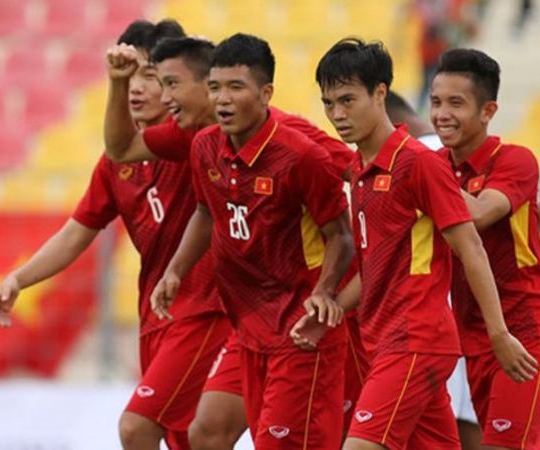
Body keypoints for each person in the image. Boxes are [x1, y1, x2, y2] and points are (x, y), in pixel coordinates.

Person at [105, 35, 367, 449]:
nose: (163, 96)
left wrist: (330, 292)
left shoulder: (298, 149)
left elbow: (356, 193)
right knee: (206, 432)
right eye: (215, 86)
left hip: (305, 321)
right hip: (247, 326)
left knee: (339, 436)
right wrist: (176, 270)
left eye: (171, 83)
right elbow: (205, 209)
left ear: (264, 94)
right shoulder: (202, 142)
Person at [0, 20, 233, 450]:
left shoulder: (197, 139)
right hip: (155, 318)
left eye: (151, 77)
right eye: (130, 75)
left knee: (138, 427)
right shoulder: (116, 164)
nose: (137, 88)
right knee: (189, 440)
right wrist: (20, 277)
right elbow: (76, 233)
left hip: (204, 311)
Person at [303, 37, 534, 450]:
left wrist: (499, 334)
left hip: (414, 338)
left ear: (380, 93)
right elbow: (377, 267)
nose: (337, 114)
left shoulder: (420, 163)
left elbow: (471, 248)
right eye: (329, 103)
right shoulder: (359, 168)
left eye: (348, 100)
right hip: (385, 337)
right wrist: (335, 308)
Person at [430, 48, 540, 449]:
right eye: (436, 102)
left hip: (526, 329)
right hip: (474, 333)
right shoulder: (436, 164)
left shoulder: (515, 160)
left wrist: (418, 173)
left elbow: (475, 214)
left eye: (456, 103)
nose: (442, 114)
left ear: (488, 110)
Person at [386, 90, 481, 450]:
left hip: (428, 312)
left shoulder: (416, 154)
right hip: (467, 311)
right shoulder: (461, 150)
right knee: (457, 427)